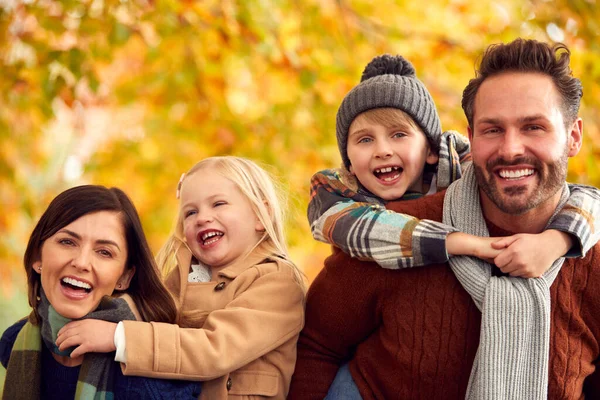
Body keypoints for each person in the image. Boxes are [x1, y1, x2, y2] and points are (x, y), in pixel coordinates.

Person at [289, 39, 600, 399]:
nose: (511, 148)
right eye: (493, 129)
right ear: (471, 137)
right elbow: (316, 346)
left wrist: (560, 241)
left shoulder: (589, 251)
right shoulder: (389, 236)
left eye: (533, 127)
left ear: (573, 137)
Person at [53, 156, 306, 399]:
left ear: (261, 216)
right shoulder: (187, 277)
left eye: (218, 204)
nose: (203, 217)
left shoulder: (277, 282)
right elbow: (147, 309)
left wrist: (118, 337)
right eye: (190, 212)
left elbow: (213, 350)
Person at [0, 185, 201, 400]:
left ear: (124, 277)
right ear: (37, 258)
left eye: (104, 252)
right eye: (67, 242)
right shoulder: (13, 343)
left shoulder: (149, 378)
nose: (81, 262)